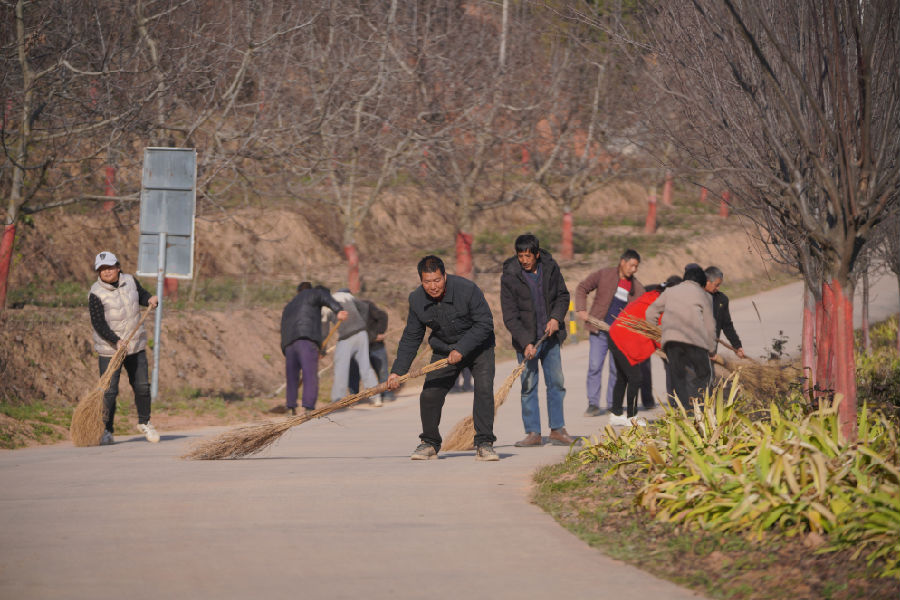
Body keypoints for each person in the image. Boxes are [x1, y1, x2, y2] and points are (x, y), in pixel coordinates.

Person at [387, 255, 499, 461]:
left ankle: (484, 443)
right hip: (444, 351)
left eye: (437, 280)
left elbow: (484, 323)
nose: (433, 286)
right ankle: (429, 442)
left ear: (445, 276)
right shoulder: (417, 299)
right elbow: (411, 336)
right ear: (421, 281)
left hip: (479, 348)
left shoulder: (467, 289)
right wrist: (397, 371)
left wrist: (462, 349)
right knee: (430, 394)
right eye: (427, 282)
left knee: (483, 391)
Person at [499, 234, 573, 447]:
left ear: (537, 254)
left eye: (528, 256)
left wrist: (556, 318)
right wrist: (525, 343)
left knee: (556, 383)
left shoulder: (550, 267)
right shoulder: (510, 276)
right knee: (529, 386)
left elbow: (563, 295)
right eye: (520, 256)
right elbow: (510, 316)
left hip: (550, 338)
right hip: (527, 343)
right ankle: (533, 433)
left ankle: (558, 429)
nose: (524, 260)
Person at [88, 251, 159, 445]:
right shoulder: (95, 293)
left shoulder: (130, 281)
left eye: (110, 267)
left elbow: (141, 295)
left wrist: (150, 299)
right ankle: (106, 430)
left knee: (142, 386)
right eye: (102, 269)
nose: (107, 272)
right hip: (110, 350)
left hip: (135, 345)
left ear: (118, 267)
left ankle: (145, 422)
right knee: (109, 392)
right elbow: (98, 323)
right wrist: (116, 340)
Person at [575, 249, 645, 416]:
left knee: (616, 370)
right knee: (594, 366)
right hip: (599, 330)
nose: (634, 269)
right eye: (631, 265)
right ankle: (593, 404)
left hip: (620, 336)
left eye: (636, 267)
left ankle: (613, 404)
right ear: (622, 262)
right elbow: (582, 287)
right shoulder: (604, 275)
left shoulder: (637, 288)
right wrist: (581, 309)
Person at [608, 276, 682, 427]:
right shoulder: (659, 303)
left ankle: (616, 413)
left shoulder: (653, 295)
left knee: (623, 377)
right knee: (635, 378)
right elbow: (658, 334)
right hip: (622, 339)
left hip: (615, 334)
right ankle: (632, 417)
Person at [645, 265, 717, 411]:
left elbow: (650, 312)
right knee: (704, 375)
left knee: (679, 378)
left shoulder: (670, 291)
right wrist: (711, 349)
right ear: (701, 283)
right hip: (695, 342)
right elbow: (710, 326)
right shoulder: (705, 295)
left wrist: (658, 334)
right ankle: (701, 412)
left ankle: (685, 414)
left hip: (672, 343)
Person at [281, 282, 347, 415]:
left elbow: (282, 327)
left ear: (297, 292)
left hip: (289, 344)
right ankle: (308, 407)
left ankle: (290, 406)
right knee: (309, 374)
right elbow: (325, 296)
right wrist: (338, 310)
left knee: (292, 376)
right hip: (306, 339)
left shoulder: (289, 305)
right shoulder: (313, 293)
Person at [330, 289, 383, 406]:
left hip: (346, 336)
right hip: (361, 333)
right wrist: (361, 323)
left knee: (340, 368)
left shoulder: (326, 304)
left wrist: (321, 348)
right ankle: (376, 397)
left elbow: (323, 329)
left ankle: (338, 401)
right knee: (366, 367)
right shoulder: (348, 296)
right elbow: (364, 307)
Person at [348, 298, 395, 402]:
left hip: (375, 346)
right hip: (358, 348)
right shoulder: (347, 313)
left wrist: (379, 332)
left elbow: (383, 316)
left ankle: (387, 394)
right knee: (354, 372)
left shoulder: (367, 306)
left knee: (382, 371)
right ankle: (353, 398)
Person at [704, 266, 746, 359]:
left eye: (719, 285)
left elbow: (727, 325)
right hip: (694, 349)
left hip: (711, 351)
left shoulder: (722, 300)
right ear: (706, 281)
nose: (718, 288)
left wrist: (737, 346)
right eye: (716, 285)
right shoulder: (694, 297)